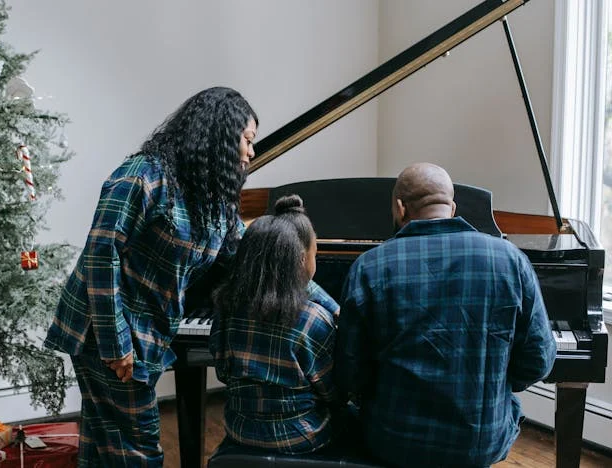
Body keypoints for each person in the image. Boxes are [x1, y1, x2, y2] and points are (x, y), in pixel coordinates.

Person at [44, 86, 258, 467]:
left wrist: (319, 298)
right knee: (138, 449)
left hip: (147, 329)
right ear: (221, 136)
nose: (251, 152)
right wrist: (116, 343)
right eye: (247, 140)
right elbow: (99, 254)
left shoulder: (215, 199)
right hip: (104, 329)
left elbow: (252, 258)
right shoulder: (142, 174)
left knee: (105, 445)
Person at [334, 162, 557, 467]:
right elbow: (539, 360)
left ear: (400, 208)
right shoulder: (510, 260)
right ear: (452, 207)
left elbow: (350, 372)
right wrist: (492, 387)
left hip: (394, 440)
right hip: (481, 442)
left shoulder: (369, 267)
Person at [210, 194, 341, 455]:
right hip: (300, 435)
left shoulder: (226, 308)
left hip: (240, 428)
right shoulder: (313, 319)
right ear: (302, 259)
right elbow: (333, 393)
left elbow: (223, 373)